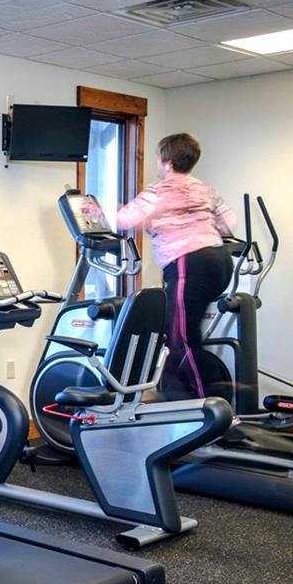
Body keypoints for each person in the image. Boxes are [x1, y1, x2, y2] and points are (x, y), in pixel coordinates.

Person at [92, 132, 237, 401]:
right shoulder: (204, 188)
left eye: (159, 158)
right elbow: (230, 224)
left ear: (168, 162)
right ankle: (174, 393)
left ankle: (215, 409)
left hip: (188, 264)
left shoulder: (160, 190)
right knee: (176, 332)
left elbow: (124, 220)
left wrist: (100, 212)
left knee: (182, 338)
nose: (157, 164)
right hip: (219, 261)